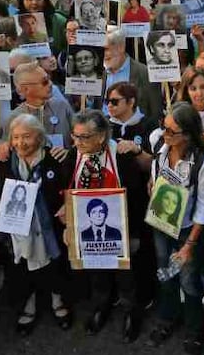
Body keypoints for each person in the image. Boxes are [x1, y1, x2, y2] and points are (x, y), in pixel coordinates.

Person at [59, 110, 148, 341]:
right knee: (97, 270)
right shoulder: (75, 155)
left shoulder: (120, 155)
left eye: (83, 137)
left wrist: (135, 233)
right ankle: (101, 306)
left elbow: (138, 197)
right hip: (89, 228)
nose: (77, 142)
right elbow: (67, 190)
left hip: (120, 227)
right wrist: (67, 217)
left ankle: (131, 312)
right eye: (75, 136)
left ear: (100, 136)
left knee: (125, 274)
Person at [145, 102, 204, 355]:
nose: (164, 135)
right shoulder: (160, 146)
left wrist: (189, 244)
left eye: (171, 131)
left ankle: (194, 331)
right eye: (163, 127)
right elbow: (153, 175)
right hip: (160, 223)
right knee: (165, 273)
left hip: (187, 230)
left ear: (188, 134)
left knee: (188, 279)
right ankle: (167, 319)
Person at [0, 114, 69, 334]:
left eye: (27, 137)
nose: (21, 142)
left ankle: (57, 301)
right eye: (16, 137)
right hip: (17, 231)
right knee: (21, 268)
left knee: (53, 265)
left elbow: (71, 187)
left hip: (50, 228)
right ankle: (29, 305)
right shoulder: (4, 162)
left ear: (39, 137)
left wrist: (67, 206)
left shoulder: (54, 159)